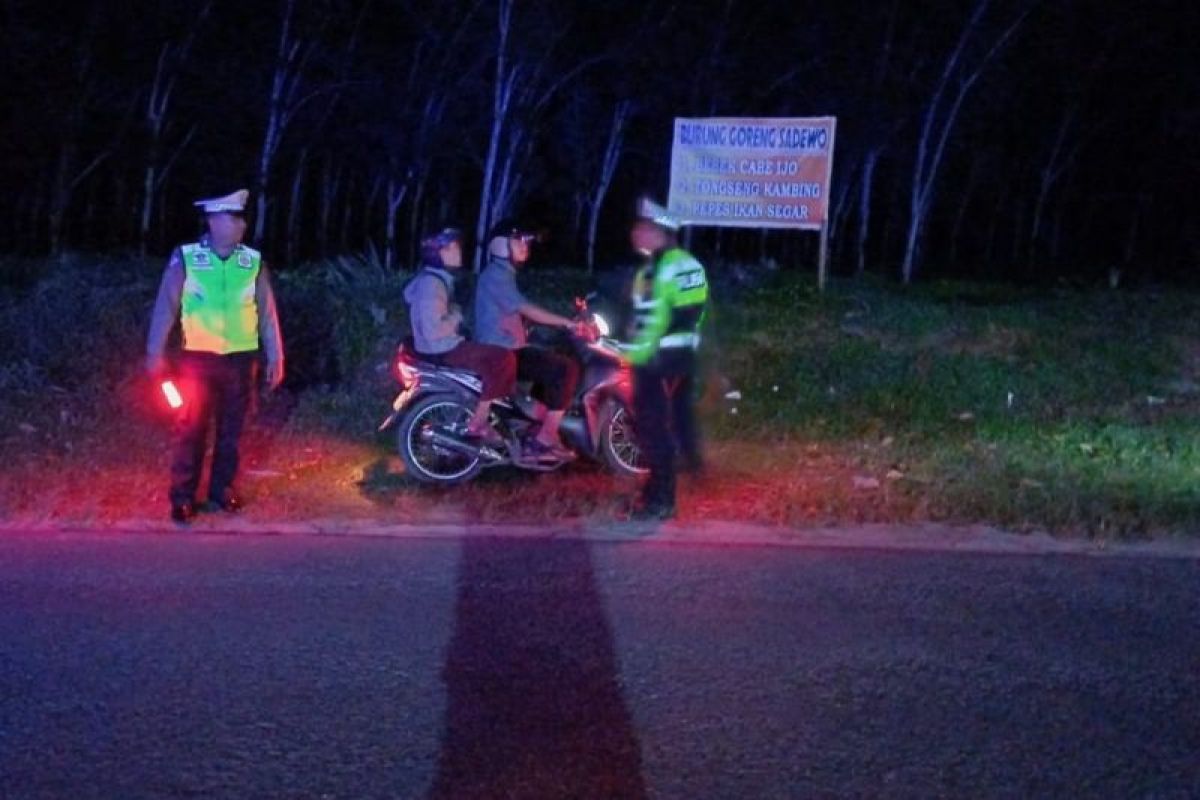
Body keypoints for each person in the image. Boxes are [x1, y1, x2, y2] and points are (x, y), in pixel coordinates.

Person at [145, 189, 285, 523]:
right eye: (233, 218)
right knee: (190, 430)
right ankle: (183, 497)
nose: (241, 225)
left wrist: (276, 356)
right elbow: (166, 307)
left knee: (231, 433)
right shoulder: (187, 257)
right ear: (213, 221)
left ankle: (221, 492)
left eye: (241, 218)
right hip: (197, 361)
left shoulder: (251, 261)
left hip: (240, 360)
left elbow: (267, 313)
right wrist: (154, 353)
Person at [473, 219, 585, 463]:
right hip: (502, 351)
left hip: (507, 347)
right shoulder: (496, 275)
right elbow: (526, 308)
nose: (525, 246)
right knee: (566, 369)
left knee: (549, 360)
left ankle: (538, 426)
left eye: (526, 241)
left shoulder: (502, 275)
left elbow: (514, 312)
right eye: (519, 240)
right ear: (501, 246)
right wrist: (567, 322)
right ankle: (543, 440)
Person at [625, 197, 709, 520]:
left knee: (656, 429)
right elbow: (642, 318)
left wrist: (654, 348)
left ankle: (661, 502)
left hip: (667, 360)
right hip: (650, 360)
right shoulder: (648, 270)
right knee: (652, 428)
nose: (635, 233)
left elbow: (689, 312)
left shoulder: (681, 264)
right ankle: (657, 490)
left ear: (658, 231)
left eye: (641, 228)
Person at [404, 227, 517, 447]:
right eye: (453, 247)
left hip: (440, 346)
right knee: (504, 359)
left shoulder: (434, 279)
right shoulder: (432, 284)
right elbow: (433, 329)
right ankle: (479, 422)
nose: (459, 252)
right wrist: (456, 313)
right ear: (439, 253)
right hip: (441, 348)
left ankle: (492, 414)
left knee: (491, 359)